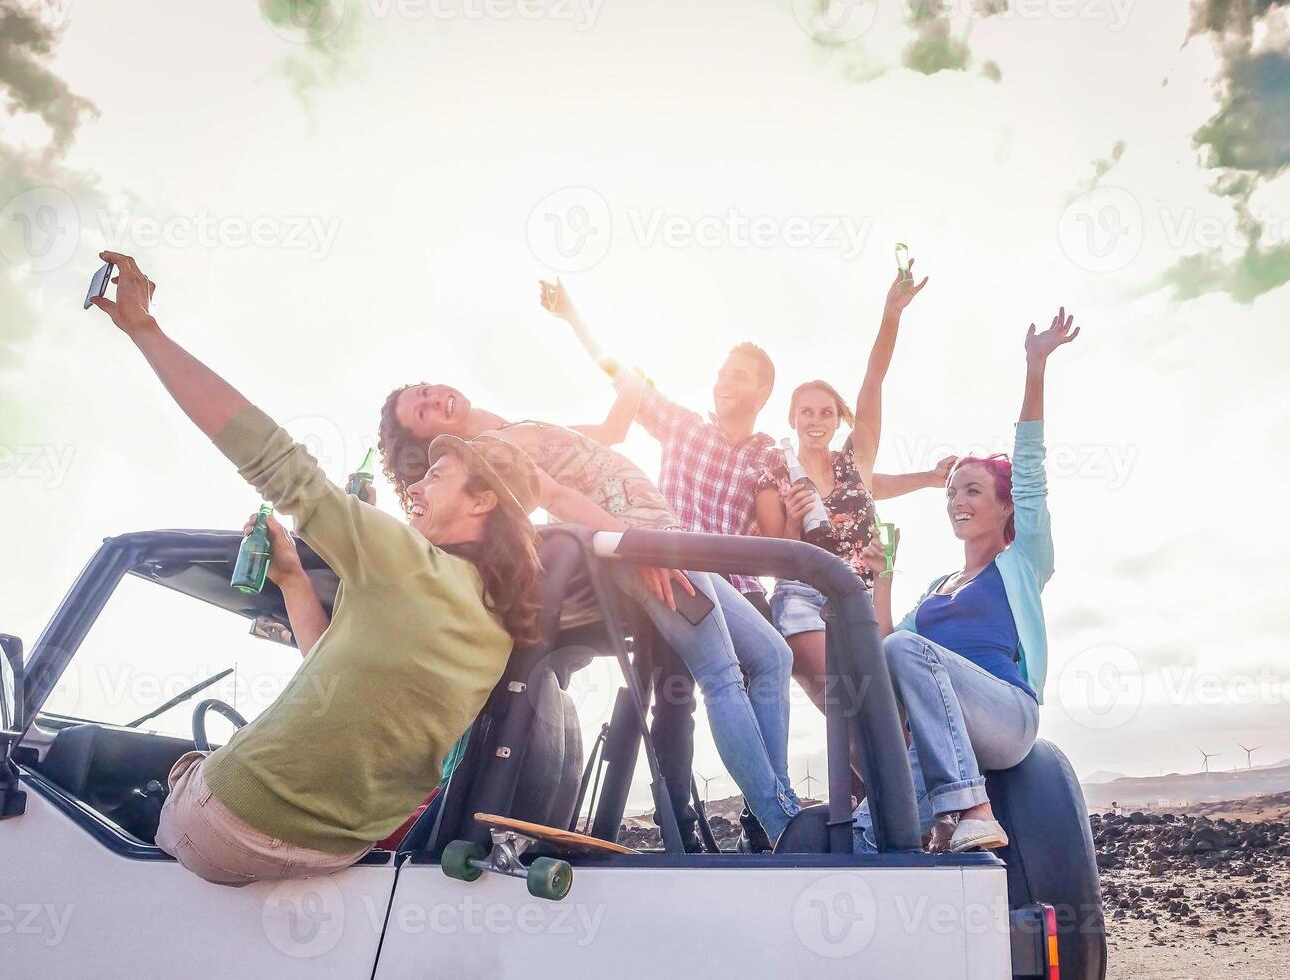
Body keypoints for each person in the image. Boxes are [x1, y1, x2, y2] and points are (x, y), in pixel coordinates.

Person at [89, 251, 545, 885]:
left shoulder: (406, 561)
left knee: (155, 781)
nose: (415, 489)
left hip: (225, 829)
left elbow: (276, 461)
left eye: (435, 477)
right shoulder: (494, 627)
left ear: (482, 501)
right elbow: (340, 669)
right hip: (332, 853)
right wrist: (294, 580)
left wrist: (146, 330)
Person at [539, 278, 947, 847]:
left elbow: (772, 533)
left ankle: (771, 810)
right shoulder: (683, 426)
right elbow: (621, 372)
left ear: (762, 394)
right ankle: (719, 817)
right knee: (689, 689)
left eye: (738, 376)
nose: (723, 381)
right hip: (669, 564)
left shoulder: (766, 456)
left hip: (732, 578)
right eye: (722, 372)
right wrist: (573, 313)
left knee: (774, 658)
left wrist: (823, 519)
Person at [379, 383, 803, 843]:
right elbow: (556, 498)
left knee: (772, 655)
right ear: (425, 441)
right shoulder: (487, 455)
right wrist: (634, 545)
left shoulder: (518, 428)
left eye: (424, 391)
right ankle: (784, 823)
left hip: (668, 532)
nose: (432, 399)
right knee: (719, 673)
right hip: (639, 538)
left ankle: (781, 813)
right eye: (421, 413)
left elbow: (611, 431)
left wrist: (627, 373)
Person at [855, 307, 1080, 854]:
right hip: (943, 734)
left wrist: (1035, 368)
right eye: (952, 491)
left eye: (972, 490)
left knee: (909, 650)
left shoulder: (1022, 561)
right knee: (866, 832)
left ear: (1006, 506)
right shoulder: (938, 586)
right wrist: (881, 577)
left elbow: (1029, 468)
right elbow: (888, 646)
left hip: (1005, 717)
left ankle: (972, 810)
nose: (957, 500)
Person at [754, 260, 932, 717]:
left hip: (865, 596)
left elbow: (874, 379)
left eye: (826, 412)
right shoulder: (774, 476)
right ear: (793, 418)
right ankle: (869, 786)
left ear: (839, 419)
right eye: (806, 412)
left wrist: (891, 314)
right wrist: (794, 520)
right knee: (844, 709)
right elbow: (779, 560)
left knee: (889, 715)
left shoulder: (857, 463)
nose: (816, 421)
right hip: (805, 599)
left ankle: (877, 792)